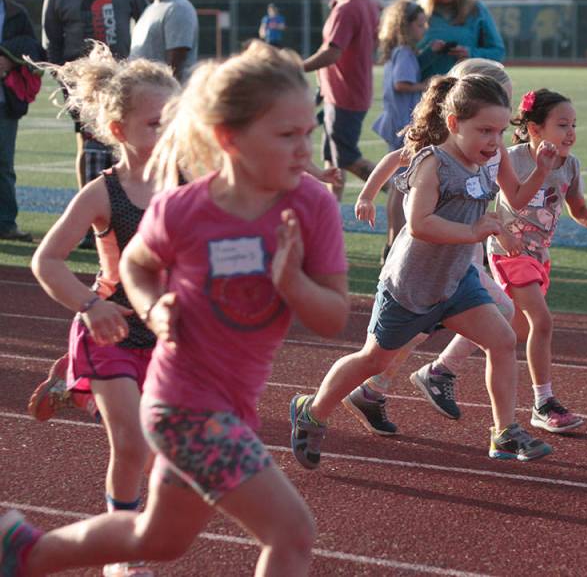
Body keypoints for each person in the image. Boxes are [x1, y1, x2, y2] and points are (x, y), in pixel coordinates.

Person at [1, 41, 350, 576]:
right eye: (286, 135)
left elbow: (333, 319)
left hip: (233, 403)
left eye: (309, 132)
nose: (305, 150)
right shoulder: (184, 207)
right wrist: (151, 307)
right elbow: (137, 266)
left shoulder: (311, 205)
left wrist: (292, 284)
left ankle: (24, 553)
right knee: (291, 533)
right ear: (228, 138)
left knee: (159, 538)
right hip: (183, 403)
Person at [289, 73, 554, 464]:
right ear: (453, 124)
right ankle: (312, 412)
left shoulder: (490, 158)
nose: (494, 141)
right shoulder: (434, 162)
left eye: (499, 131)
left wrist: (542, 172)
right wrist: (472, 231)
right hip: (411, 284)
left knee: (501, 339)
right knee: (374, 360)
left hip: (455, 281)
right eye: (483, 131)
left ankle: (503, 432)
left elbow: (514, 196)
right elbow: (419, 223)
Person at [28, 43, 179, 577]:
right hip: (109, 330)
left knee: (170, 448)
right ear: (118, 130)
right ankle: (121, 551)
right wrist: (90, 306)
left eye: (175, 122)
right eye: (154, 125)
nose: (168, 135)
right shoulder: (102, 195)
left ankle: (68, 381)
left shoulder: (189, 187)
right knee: (133, 445)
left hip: (166, 337)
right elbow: (47, 262)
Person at [487, 89, 587, 433]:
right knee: (542, 322)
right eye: (562, 124)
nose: (571, 132)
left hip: (538, 255)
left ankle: (442, 366)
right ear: (534, 129)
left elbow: (578, 209)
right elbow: (511, 203)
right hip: (509, 252)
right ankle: (543, 402)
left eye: (574, 124)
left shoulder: (571, 165)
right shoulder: (513, 158)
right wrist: (500, 231)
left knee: (514, 331)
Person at [42, 0, 147, 202]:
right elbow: (52, 43)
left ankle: (127, 208)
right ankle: (90, 213)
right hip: (83, 87)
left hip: (124, 82)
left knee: (125, 144)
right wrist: (65, 82)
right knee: (88, 148)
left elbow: (147, 21)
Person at [302, 0, 379, 201]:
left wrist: (296, 68)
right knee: (331, 157)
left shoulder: (348, 8)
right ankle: (330, 209)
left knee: (346, 157)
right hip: (342, 91)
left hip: (345, 93)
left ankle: (399, 192)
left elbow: (332, 53)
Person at [370, 0, 428, 261]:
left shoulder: (399, 51)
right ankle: (393, 241)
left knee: (398, 183)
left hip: (395, 119)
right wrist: (426, 84)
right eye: (419, 25)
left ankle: (391, 240)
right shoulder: (403, 52)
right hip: (403, 122)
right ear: (406, 27)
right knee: (399, 185)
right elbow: (401, 84)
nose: (423, 29)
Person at [0, 0, 46, 242]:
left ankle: (6, 223)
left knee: (4, 165)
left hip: (5, 101)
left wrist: (6, 58)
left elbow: (34, 49)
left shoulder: (16, 12)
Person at [416, 0, 505, 79]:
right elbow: (405, 60)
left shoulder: (476, 10)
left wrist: (471, 53)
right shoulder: (418, 12)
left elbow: (498, 52)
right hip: (425, 91)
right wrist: (430, 52)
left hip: (465, 90)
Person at [130, 0, 199, 83]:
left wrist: (168, 98)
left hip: (163, 98)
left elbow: (175, 65)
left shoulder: (178, 8)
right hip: (146, 95)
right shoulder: (153, 7)